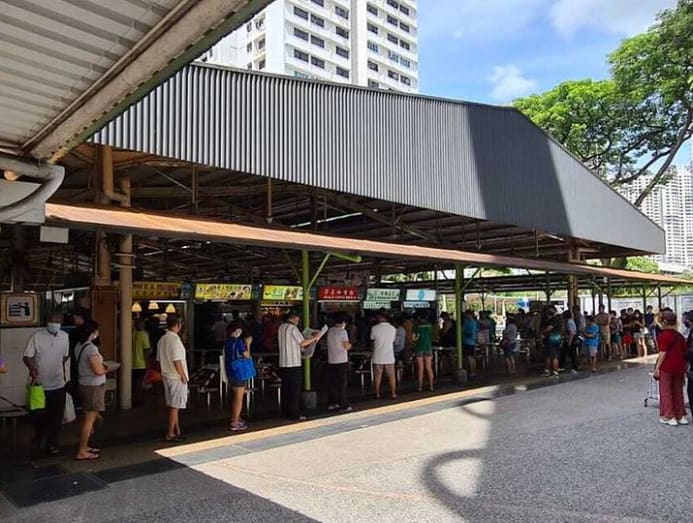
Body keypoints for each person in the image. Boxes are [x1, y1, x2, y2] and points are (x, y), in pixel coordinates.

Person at [23, 312, 69, 455]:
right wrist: (32, 367)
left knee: (56, 417)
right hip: (40, 385)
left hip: (58, 384)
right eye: (52, 321)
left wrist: (60, 369)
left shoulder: (64, 337)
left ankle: (52, 443)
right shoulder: (37, 336)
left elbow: (65, 356)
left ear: (61, 323)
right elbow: (27, 356)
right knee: (38, 415)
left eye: (57, 321)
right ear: (47, 322)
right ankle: (38, 437)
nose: (54, 324)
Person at [278, 312, 320, 421]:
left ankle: (285, 412)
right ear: (293, 319)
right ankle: (294, 413)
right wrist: (315, 338)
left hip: (283, 363)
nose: (298, 322)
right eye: (297, 320)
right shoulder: (293, 328)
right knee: (294, 390)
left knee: (286, 389)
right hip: (294, 363)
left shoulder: (281, 327)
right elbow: (302, 343)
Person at [75, 321, 107, 461]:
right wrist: (107, 368)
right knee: (90, 418)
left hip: (83, 383)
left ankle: (85, 446)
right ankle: (82, 450)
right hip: (93, 386)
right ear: (92, 332)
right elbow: (98, 370)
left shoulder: (79, 346)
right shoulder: (91, 349)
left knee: (88, 416)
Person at [157, 314, 189, 442]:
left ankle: (177, 430)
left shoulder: (162, 339)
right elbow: (177, 361)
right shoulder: (175, 340)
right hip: (176, 377)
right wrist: (183, 375)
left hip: (166, 375)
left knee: (173, 405)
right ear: (178, 325)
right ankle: (170, 433)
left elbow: (158, 360)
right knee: (175, 406)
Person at [653, 309, 688, 425]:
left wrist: (657, 368)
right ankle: (681, 415)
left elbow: (663, 353)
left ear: (663, 322)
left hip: (667, 366)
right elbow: (684, 352)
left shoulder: (663, 336)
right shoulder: (680, 336)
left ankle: (669, 416)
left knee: (666, 391)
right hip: (680, 366)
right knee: (678, 391)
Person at [224, 321, 253, 431]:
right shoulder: (238, 342)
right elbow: (247, 355)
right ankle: (235, 421)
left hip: (230, 371)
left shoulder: (227, 342)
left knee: (235, 396)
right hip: (239, 372)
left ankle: (235, 417)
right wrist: (248, 344)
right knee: (239, 398)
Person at [326, 314, 352, 412]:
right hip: (341, 360)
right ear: (343, 322)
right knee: (342, 384)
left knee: (332, 383)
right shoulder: (343, 331)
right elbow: (346, 346)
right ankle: (343, 404)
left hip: (331, 360)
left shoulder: (330, 331)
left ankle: (332, 403)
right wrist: (350, 345)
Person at [371, 311, 397, 399]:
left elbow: (372, 340)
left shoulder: (374, 328)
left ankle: (377, 393)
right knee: (391, 375)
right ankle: (393, 393)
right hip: (389, 356)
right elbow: (393, 341)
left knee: (378, 375)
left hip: (378, 356)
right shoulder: (393, 328)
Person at [413, 313, 434, 392]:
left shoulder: (416, 326)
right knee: (429, 367)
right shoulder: (430, 325)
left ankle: (420, 387)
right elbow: (432, 336)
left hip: (419, 348)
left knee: (420, 368)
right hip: (428, 347)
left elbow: (414, 338)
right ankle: (431, 386)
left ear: (419, 317)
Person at [132, 319, 151, 404]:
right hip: (141, 363)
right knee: (140, 383)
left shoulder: (131, 334)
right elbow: (146, 350)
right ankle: (138, 400)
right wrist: (148, 363)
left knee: (133, 383)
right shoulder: (144, 335)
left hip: (131, 363)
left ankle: (133, 399)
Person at [542, 306, 562, 377]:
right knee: (549, 355)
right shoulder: (559, 318)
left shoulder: (555, 319)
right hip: (557, 337)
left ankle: (554, 371)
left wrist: (543, 332)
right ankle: (548, 370)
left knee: (553, 356)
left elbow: (550, 327)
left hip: (552, 338)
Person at [560, 310, 579, 374]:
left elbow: (571, 333)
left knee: (572, 354)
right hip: (569, 339)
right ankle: (562, 366)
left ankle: (575, 368)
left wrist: (569, 342)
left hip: (571, 339)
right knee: (565, 353)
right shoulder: (569, 321)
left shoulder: (569, 322)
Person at [462, 310, 479, 378]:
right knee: (469, 358)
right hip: (468, 341)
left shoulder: (472, 322)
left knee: (470, 358)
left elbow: (470, 333)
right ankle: (471, 371)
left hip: (470, 342)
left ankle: (473, 371)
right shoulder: (466, 321)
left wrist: (464, 332)